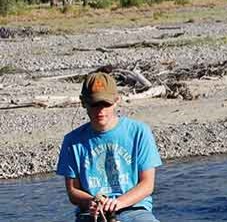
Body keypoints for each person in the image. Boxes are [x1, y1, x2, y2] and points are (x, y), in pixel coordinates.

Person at [57, 71, 163, 222]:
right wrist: (91, 202)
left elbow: (147, 184)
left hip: (135, 210)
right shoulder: (72, 141)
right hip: (91, 213)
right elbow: (73, 191)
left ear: (116, 100)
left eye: (106, 104)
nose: (100, 110)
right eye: (94, 104)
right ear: (83, 102)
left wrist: (118, 203)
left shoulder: (139, 132)